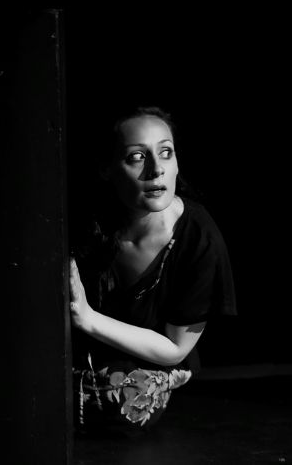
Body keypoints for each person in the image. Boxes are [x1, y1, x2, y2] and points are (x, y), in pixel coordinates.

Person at [69, 106, 236, 435]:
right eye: (137, 157)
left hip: (149, 358)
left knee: (123, 398)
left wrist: (87, 318)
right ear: (106, 168)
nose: (156, 169)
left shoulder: (198, 238)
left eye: (166, 152)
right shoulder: (85, 219)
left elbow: (175, 349)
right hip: (82, 348)